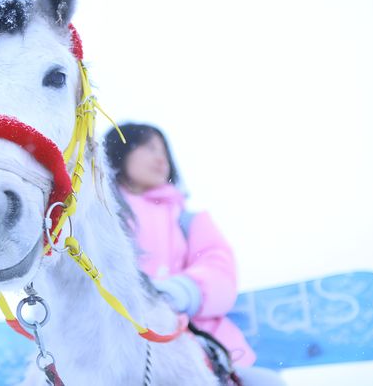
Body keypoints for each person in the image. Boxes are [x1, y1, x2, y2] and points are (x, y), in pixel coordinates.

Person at [104, 123, 285, 386]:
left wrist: (181, 291)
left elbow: (219, 269)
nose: (160, 157)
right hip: (116, 344)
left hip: (198, 340)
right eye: (148, 147)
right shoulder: (101, 218)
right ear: (120, 152)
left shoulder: (188, 221)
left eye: (164, 150)